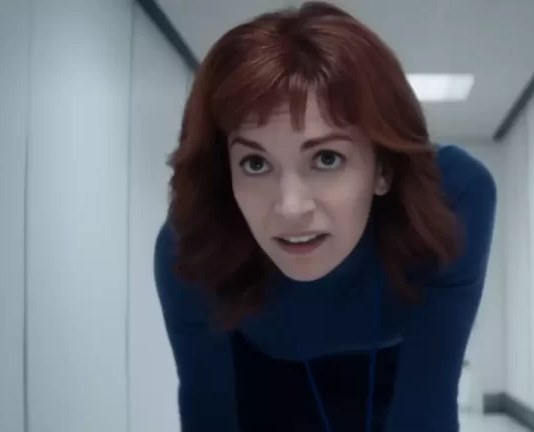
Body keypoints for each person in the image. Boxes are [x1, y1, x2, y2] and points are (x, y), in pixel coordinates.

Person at [153, 2, 497, 431]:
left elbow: (429, 400)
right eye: (256, 164)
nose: (290, 207)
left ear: (384, 169)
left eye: (327, 158)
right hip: (264, 379)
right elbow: (209, 412)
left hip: (392, 373)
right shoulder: (192, 245)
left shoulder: (452, 199)